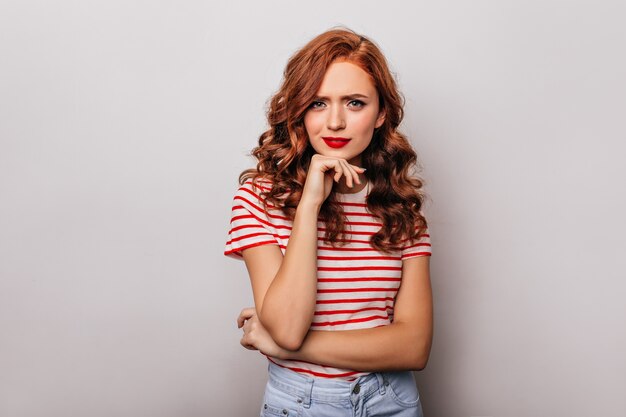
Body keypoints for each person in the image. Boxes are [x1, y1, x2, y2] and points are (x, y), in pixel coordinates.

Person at [224, 27, 433, 417]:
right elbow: (287, 326)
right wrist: (309, 206)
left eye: (354, 103)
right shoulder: (258, 200)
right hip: (301, 403)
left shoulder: (402, 209)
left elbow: (413, 347)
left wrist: (288, 346)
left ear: (381, 113)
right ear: (299, 110)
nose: (335, 122)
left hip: (393, 400)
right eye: (318, 103)